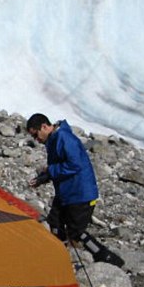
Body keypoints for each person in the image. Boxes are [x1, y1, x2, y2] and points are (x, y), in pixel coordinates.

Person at [26, 113, 124, 267]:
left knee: (76, 232)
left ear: (44, 127)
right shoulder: (53, 140)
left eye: (36, 134)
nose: (36, 140)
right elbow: (61, 166)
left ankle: (107, 259)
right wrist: (42, 178)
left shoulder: (65, 138)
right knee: (55, 222)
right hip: (66, 193)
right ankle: (59, 258)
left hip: (80, 194)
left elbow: (75, 164)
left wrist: (51, 170)